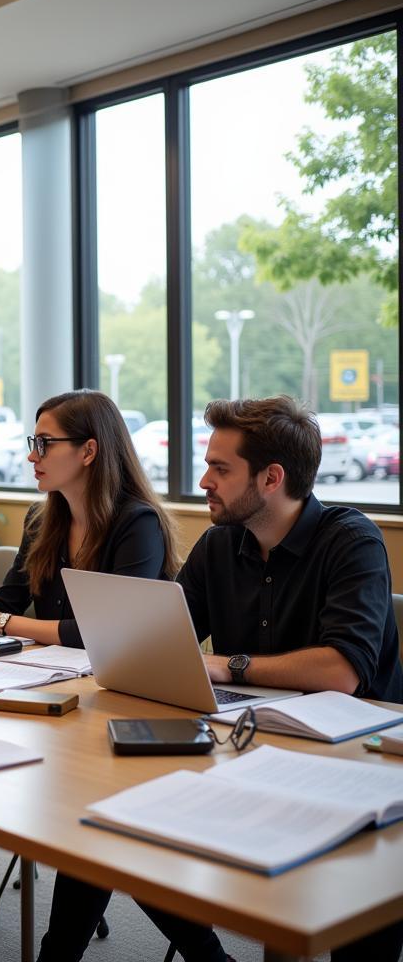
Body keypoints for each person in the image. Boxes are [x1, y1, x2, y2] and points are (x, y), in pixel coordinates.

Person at [39, 395, 403, 962]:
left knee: (347, 925)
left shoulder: (350, 540)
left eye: (220, 469)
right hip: (248, 741)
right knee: (114, 818)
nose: (204, 480)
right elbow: (158, 636)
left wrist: (227, 665)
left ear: (272, 478)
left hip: (351, 762)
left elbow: (342, 671)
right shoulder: (219, 542)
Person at [0, 389, 178, 645]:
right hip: (51, 673)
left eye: (44, 443)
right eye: (34, 443)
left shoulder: (140, 524)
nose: (32, 456)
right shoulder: (40, 520)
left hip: (118, 680)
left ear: (88, 451)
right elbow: (7, 602)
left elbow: (109, 630)